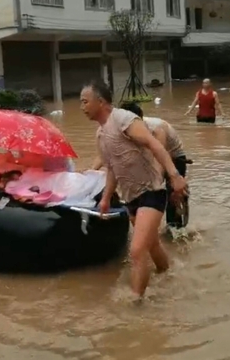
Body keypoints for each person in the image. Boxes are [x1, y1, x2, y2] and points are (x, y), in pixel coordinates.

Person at [80, 81, 188, 298]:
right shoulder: (101, 134)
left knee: (137, 251)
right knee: (152, 245)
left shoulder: (123, 119)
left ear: (100, 101)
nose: (82, 106)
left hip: (152, 191)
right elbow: (112, 168)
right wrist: (106, 198)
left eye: (85, 101)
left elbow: (154, 143)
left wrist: (174, 175)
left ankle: (136, 304)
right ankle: (169, 276)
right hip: (131, 197)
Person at [117, 101, 191, 228]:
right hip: (148, 155)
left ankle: (176, 230)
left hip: (173, 157)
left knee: (173, 195)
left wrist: (156, 183)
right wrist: (91, 171)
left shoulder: (156, 128)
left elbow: (159, 158)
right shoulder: (122, 127)